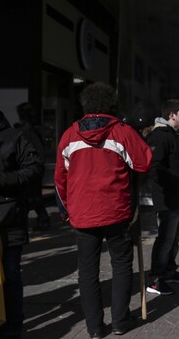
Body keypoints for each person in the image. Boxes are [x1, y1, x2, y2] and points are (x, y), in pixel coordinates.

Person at [54, 82, 152, 338]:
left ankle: (95, 329)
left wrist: (65, 211)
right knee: (121, 266)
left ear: (85, 105)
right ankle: (120, 322)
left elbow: (59, 179)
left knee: (87, 272)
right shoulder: (122, 131)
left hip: (82, 213)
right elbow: (144, 163)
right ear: (110, 104)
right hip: (117, 212)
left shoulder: (69, 135)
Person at [0, 109, 43, 339]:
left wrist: (4, 181)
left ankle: (13, 323)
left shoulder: (14, 137)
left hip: (9, 217)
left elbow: (34, 168)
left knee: (11, 273)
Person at [146, 99, 179, 295]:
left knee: (174, 238)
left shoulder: (175, 136)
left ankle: (169, 271)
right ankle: (155, 279)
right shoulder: (159, 137)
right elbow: (154, 168)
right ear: (172, 115)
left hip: (178, 197)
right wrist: (174, 183)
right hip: (167, 199)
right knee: (165, 239)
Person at [15, 102, 51, 230]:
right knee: (31, 197)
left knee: (30, 197)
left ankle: (42, 219)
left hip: (30, 168)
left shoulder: (24, 130)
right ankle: (41, 219)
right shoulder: (33, 129)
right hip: (35, 168)